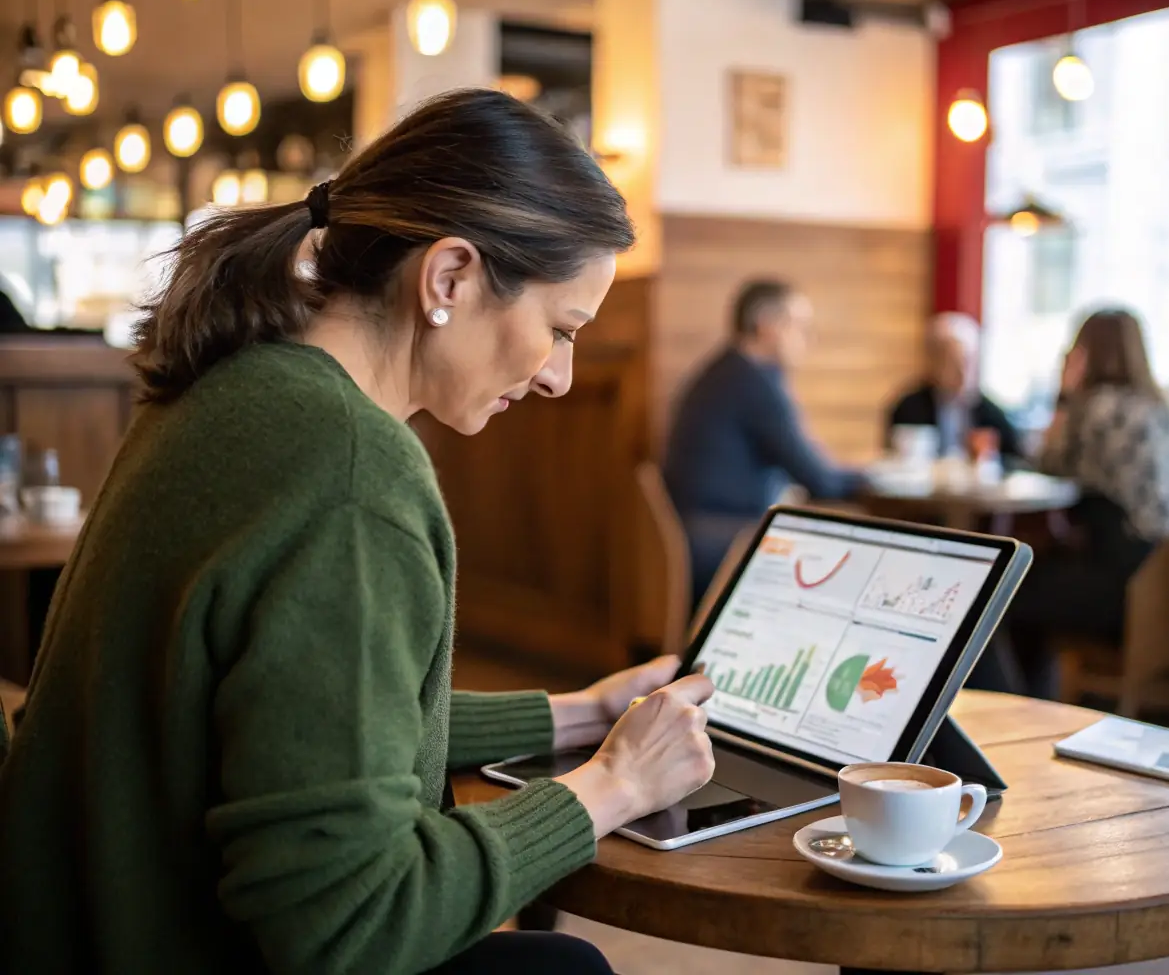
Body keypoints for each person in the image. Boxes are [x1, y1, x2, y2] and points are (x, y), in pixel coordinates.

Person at [0, 89, 718, 975]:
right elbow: (349, 925)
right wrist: (612, 787)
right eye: (559, 329)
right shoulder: (352, 476)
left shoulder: (237, 384)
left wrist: (581, 715)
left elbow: (310, 726)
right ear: (448, 278)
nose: (558, 378)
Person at [1006, 308, 1169, 698]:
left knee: (1005, 594)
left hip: (1125, 583)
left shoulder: (1094, 409)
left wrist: (1063, 394)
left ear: (1085, 353)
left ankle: (1021, 708)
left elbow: (1047, 463)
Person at [663, 279, 864, 608]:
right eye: (799, 326)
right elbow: (820, 480)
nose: (807, 339)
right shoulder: (752, 383)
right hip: (719, 536)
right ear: (768, 325)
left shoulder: (725, 371)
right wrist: (878, 478)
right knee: (837, 558)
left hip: (690, 531)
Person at [885, 312, 1022, 463]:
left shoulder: (990, 413)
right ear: (933, 361)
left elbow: (1016, 459)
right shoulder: (909, 408)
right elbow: (893, 457)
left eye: (968, 362)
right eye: (954, 362)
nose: (963, 372)